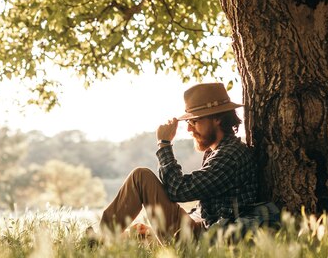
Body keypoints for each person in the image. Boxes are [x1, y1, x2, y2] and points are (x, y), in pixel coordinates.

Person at [99, 82, 259, 239]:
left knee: (141, 177)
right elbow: (206, 211)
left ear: (217, 118)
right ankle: (110, 237)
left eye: (194, 121)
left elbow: (178, 190)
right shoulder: (219, 151)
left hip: (209, 240)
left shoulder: (230, 156)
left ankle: (101, 238)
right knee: (137, 233)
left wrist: (164, 144)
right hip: (205, 230)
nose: (189, 129)